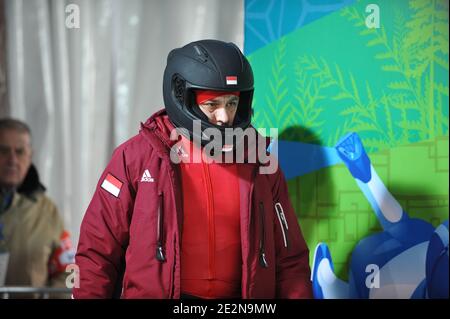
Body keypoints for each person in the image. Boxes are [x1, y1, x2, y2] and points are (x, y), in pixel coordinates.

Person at [74, 39, 312, 299]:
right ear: (181, 95)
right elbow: (97, 253)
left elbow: (291, 262)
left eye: (232, 103)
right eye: (212, 105)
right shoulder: (135, 158)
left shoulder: (260, 164)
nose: (224, 117)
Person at [0, 118, 74, 294]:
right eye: (3, 151)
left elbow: (70, 273)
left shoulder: (48, 212)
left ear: (30, 155)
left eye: (19, 152)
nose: (12, 159)